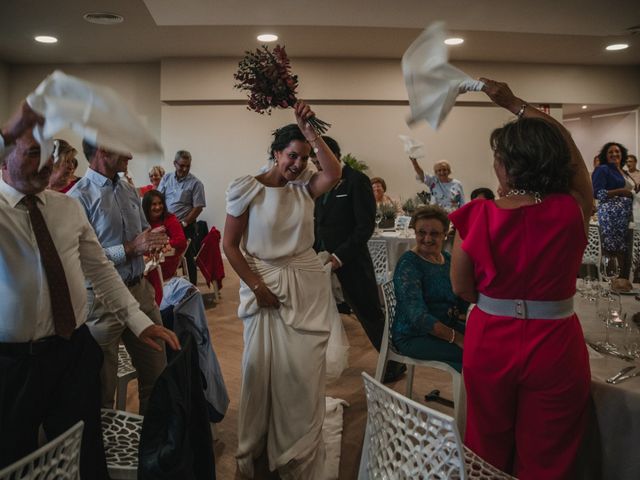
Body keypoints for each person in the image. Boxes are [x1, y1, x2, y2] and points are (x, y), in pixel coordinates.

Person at [0, 102, 179, 479]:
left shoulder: (65, 208)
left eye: (48, 154)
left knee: (83, 452)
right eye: (33, 154)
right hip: (14, 363)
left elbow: (99, 268)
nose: (48, 164)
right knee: (17, 457)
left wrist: (138, 319)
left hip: (72, 348)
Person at [449, 78, 592, 479]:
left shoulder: (478, 215)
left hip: (491, 338)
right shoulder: (575, 208)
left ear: (506, 165)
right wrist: (514, 104)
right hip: (556, 342)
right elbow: (574, 155)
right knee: (549, 454)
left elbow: (461, 288)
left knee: (486, 448)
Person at [223, 101, 342, 478]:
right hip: (265, 285)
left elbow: (334, 172)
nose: (298, 163)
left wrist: (310, 132)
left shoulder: (305, 188)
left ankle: (295, 445)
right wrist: (257, 287)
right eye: (292, 155)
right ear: (276, 154)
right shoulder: (247, 189)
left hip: (305, 286)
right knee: (262, 371)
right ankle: (261, 442)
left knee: (303, 373)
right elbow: (230, 246)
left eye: (304, 157)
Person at [68, 140, 172, 415]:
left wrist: (154, 239)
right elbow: (79, 258)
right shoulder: (77, 198)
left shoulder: (128, 189)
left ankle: (152, 448)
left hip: (140, 294)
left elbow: (144, 230)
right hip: (101, 303)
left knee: (158, 378)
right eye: (122, 148)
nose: (130, 153)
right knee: (101, 389)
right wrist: (131, 248)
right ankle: (105, 454)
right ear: (103, 150)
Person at [313, 138, 406, 383]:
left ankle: (395, 363)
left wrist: (339, 256)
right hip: (317, 261)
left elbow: (364, 227)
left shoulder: (357, 181)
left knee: (369, 313)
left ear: (334, 155)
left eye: (318, 157)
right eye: (313, 158)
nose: (314, 162)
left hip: (350, 259)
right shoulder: (317, 182)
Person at [392, 206, 467, 371]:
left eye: (434, 233)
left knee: (491, 344)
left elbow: (461, 297)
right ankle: (475, 395)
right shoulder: (409, 264)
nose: (427, 239)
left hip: (446, 326)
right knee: (475, 354)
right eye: (421, 233)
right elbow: (418, 318)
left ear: (445, 234)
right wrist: (457, 338)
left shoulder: (446, 259)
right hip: (413, 335)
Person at [158, 150, 206, 285]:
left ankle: (192, 288)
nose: (184, 169)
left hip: (186, 226)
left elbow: (198, 207)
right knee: (165, 256)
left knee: (188, 258)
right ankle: (167, 285)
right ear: (174, 163)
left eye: (188, 166)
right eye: (181, 165)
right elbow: (159, 198)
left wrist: (184, 223)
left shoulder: (196, 183)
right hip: (166, 225)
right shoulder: (166, 179)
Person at [592, 142, 633, 270]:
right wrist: (620, 191)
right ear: (605, 155)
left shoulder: (623, 171)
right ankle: (612, 282)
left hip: (625, 215)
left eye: (617, 151)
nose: (614, 154)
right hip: (611, 214)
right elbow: (597, 193)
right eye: (610, 152)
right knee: (613, 250)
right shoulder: (603, 169)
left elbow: (629, 191)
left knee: (623, 249)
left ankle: (621, 283)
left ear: (622, 154)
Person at [142, 189, 187, 282]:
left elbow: (181, 240)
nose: (158, 207)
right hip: (148, 261)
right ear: (147, 206)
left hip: (164, 262)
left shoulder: (170, 219)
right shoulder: (141, 221)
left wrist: (163, 244)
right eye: (154, 204)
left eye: (160, 203)